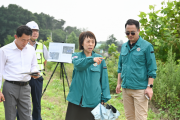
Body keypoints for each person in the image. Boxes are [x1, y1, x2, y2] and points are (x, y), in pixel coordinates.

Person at [116, 19, 157, 120]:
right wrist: (118, 83)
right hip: (126, 89)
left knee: (140, 118)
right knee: (129, 117)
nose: (130, 35)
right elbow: (120, 66)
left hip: (140, 90)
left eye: (133, 32)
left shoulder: (147, 46)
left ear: (139, 30)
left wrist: (150, 87)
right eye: (127, 33)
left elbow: (151, 68)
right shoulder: (124, 47)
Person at [65, 31, 111, 120]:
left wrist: (104, 98)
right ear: (82, 43)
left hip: (93, 101)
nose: (90, 44)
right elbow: (78, 65)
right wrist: (92, 60)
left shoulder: (100, 59)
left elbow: (104, 80)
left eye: (93, 42)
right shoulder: (76, 56)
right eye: (88, 41)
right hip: (76, 100)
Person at [0, 25, 39, 120]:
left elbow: (34, 65)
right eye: (23, 40)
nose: (25, 43)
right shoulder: (4, 50)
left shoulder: (31, 50)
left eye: (27, 40)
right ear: (16, 36)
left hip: (26, 87)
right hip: (10, 87)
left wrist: (34, 72)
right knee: (10, 116)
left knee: (27, 116)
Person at [19, 21, 48, 120]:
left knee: (36, 102)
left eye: (37, 31)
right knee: (22, 102)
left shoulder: (42, 46)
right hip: (24, 78)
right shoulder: (21, 46)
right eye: (33, 31)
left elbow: (45, 61)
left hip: (37, 78)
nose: (35, 33)